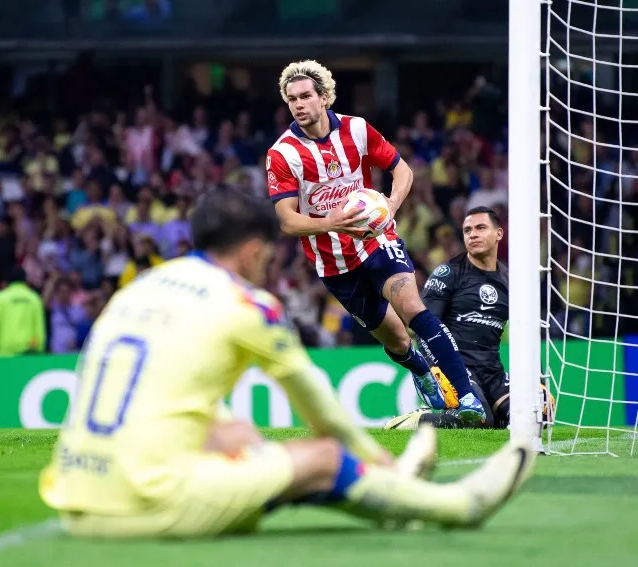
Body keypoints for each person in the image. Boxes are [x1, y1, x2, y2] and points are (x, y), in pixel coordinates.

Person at [38, 190, 536, 539]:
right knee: (323, 457)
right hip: (147, 506)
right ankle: (456, 505)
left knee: (234, 435)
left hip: (74, 503)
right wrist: (379, 462)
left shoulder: (142, 286)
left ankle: (386, 496)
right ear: (253, 250)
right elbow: (321, 408)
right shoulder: (245, 303)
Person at [266, 59, 487, 426]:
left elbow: (402, 170)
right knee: (398, 342)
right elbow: (287, 221)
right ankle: (420, 370)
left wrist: (389, 206)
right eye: (292, 99)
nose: (299, 104)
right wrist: (333, 222)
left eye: (306, 96)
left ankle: (467, 399)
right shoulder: (282, 153)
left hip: (376, 241)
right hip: (334, 263)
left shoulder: (357, 130)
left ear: (324, 98)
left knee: (414, 310)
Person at [385, 207, 554, 430]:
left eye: (481, 228)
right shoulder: (449, 273)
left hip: (492, 371)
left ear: (499, 234)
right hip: (456, 368)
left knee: (533, 416)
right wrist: (434, 367)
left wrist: (537, 381)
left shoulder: (510, 282)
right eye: (467, 230)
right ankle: (417, 421)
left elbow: (526, 337)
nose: (472, 234)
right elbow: (423, 327)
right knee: (478, 419)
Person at [0, 267, 47, 357]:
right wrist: (39, 347)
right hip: (28, 352)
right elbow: (39, 326)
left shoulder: (0, 298)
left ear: (7, 281)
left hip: (4, 353)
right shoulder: (34, 298)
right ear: (25, 280)